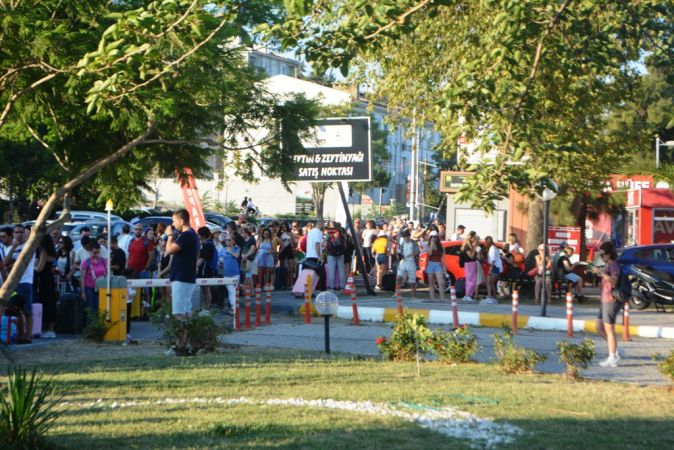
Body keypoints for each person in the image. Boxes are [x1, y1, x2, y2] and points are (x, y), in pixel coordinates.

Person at [164, 209, 200, 353]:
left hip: (182, 279)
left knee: (179, 314)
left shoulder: (187, 235)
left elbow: (169, 250)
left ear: (181, 221)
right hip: (185, 278)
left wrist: (170, 236)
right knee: (185, 313)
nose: (173, 224)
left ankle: (179, 346)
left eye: (174, 221)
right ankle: (187, 344)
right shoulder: (190, 235)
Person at [592, 242, 623, 367]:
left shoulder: (614, 265)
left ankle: (613, 358)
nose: (601, 256)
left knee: (609, 329)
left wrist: (601, 273)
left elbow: (614, 281)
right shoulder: (607, 265)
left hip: (611, 300)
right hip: (604, 300)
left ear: (609, 254)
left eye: (603, 254)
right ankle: (614, 349)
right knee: (599, 328)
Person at [3, 224, 35, 343]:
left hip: (25, 281)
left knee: (27, 310)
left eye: (22, 232)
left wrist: (11, 263)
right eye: (17, 232)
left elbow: (21, 263)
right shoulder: (9, 248)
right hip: (12, 283)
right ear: (13, 234)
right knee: (16, 310)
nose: (20, 235)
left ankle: (28, 336)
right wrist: (13, 248)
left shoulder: (29, 247)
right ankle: (21, 334)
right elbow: (5, 263)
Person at [35, 234, 58, 338]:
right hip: (49, 279)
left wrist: (32, 268)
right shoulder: (51, 251)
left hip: (45, 279)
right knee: (50, 302)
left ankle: (50, 329)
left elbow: (39, 268)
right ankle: (50, 328)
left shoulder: (43, 252)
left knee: (47, 303)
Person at [80, 242, 107, 316]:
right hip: (89, 288)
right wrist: (83, 292)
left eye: (98, 252)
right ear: (90, 251)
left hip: (100, 288)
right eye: (94, 252)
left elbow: (106, 273)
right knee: (90, 307)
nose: (96, 254)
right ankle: (90, 325)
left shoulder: (103, 261)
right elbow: (82, 278)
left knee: (100, 307)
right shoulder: (86, 262)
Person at [219, 235, 241, 315]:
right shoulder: (223, 250)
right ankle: (233, 307)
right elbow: (219, 259)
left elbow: (237, 256)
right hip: (226, 273)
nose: (227, 242)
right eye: (226, 240)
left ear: (233, 241)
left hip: (235, 273)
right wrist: (220, 263)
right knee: (231, 291)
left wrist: (230, 252)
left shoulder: (236, 249)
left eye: (229, 240)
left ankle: (233, 308)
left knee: (234, 291)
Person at [196, 227, 217, 310]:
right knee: (205, 289)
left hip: (206, 270)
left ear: (202, 235)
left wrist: (194, 267)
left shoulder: (207, 245)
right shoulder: (207, 244)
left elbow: (202, 259)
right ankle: (206, 305)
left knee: (206, 289)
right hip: (205, 270)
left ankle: (207, 306)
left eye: (198, 234)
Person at [396, 229, 419, 297]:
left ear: (409, 236)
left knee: (412, 282)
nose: (405, 238)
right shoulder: (402, 243)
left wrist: (411, 254)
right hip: (403, 262)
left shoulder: (414, 243)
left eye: (406, 237)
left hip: (411, 263)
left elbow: (417, 251)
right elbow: (399, 251)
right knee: (398, 278)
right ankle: (397, 293)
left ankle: (413, 296)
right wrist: (398, 255)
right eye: (404, 237)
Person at [325, 221, 346, 290]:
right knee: (341, 271)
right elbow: (345, 243)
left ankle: (332, 286)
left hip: (331, 253)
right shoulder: (341, 232)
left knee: (331, 271)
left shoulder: (329, 233)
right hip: (341, 253)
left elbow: (325, 243)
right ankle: (342, 286)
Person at [425, 230, 445, 302]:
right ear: (430, 237)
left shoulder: (441, 246)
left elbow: (443, 257)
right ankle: (432, 298)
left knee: (441, 282)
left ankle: (442, 298)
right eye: (432, 237)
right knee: (431, 282)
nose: (434, 238)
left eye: (435, 237)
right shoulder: (428, 245)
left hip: (438, 264)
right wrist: (431, 245)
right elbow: (429, 254)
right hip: (431, 264)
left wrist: (444, 266)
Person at [483, 236, 502, 304]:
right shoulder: (493, 248)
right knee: (490, 283)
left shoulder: (492, 249)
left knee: (490, 282)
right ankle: (492, 297)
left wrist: (490, 269)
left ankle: (491, 297)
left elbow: (493, 260)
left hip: (495, 267)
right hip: (495, 267)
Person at [460, 232, 477, 303]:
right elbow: (471, 256)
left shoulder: (469, 245)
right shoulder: (467, 246)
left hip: (470, 264)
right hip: (470, 264)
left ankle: (467, 295)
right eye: (474, 237)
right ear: (471, 238)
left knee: (469, 281)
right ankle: (467, 295)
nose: (475, 239)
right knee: (472, 281)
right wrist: (475, 248)